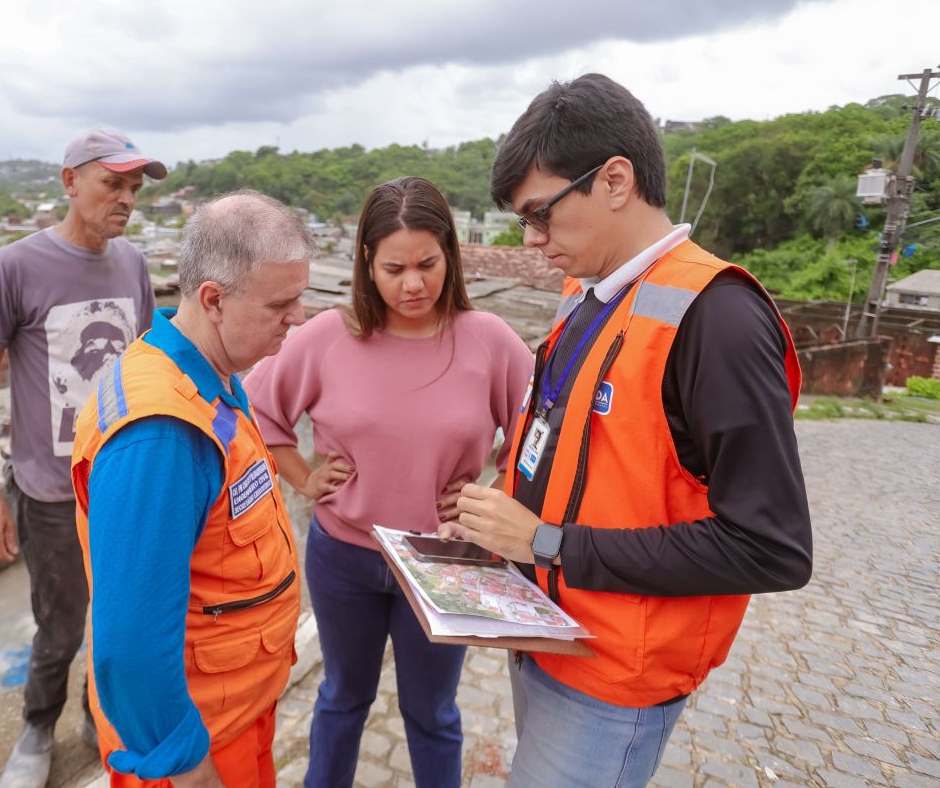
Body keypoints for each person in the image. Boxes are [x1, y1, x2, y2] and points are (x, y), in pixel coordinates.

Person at [440, 73, 812, 787]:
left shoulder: (718, 318)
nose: (531, 238)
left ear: (615, 180)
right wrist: (494, 521)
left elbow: (771, 547)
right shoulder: (587, 291)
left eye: (541, 213)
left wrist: (546, 542)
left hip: (611, 676)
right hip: (546, 630)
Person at [245, 177, 535, 788]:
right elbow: (260, 409)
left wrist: (496, 492)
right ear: (366, 264)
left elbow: (540, 435)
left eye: (428, 264)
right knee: (342, 697)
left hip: (446, 560)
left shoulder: (489, 341)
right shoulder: (329, 336)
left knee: (430, 712)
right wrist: (302, 476)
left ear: (450, 257)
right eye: (394, 267)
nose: (413, 284)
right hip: (344, 555)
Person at [70, 191, 314, 787]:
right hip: (198, 743)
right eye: (280, 305)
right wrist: (186, 766)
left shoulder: (207, 377)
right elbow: (126, 646)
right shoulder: (161, 435)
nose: (298, 319)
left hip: (234, 710)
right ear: (214, 300)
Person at [0, 126, 165, 788]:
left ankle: (94, 712)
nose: (126, 198)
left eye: (134, 187)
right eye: (113, 182)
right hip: (51, 490)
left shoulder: (132, 264)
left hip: (121, 482)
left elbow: (145, 362)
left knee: (120, 611)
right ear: (70, 181)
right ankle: (36, 726)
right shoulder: (14, 266)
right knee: (60, 624)